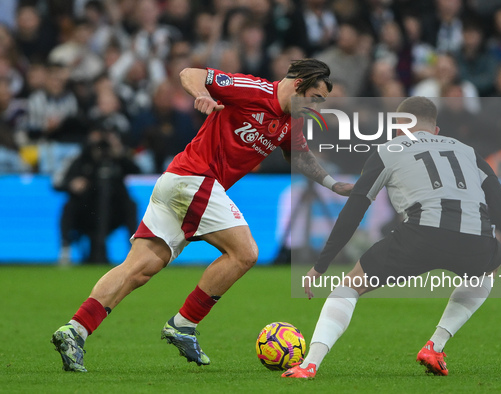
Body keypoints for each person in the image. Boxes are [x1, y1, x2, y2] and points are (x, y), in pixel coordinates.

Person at [51, 59, 353, 372]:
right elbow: (189, 73)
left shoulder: (291, 121)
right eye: (315, 99)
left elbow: (298, 156)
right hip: (193, 179)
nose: (316, 108)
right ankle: (184, 323)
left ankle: (75, 330)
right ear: (299, 84)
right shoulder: (253, 90)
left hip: (178, 182)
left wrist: (332, 183)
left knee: (139, 269)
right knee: (245, 253)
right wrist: (202, 95)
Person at [282, 97, 501, 379]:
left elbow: (353, 210)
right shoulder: (466, 150)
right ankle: (435, 346)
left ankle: (309, 364)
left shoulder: (387, 151)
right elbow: (499, 200)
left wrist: (322, 264)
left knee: (350, 287)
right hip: (475, 239)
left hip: (420, 236)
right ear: (435, 131)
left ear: (399, 127)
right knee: (488, 268)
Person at [53, 130, 140, 264]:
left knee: (131, 204)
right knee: (69, 206)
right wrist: (72, 184)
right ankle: (65, 249)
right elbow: (57, 183)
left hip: (114, 212)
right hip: (87, 211)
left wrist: (119, 153)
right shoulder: (82, 159)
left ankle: (134, 250)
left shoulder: (117, 160)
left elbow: (138, 171)